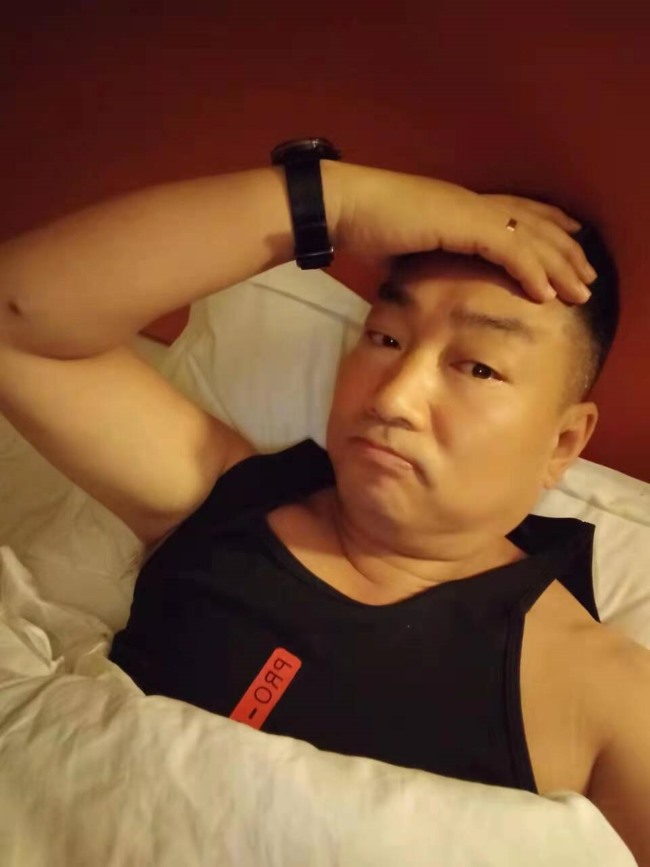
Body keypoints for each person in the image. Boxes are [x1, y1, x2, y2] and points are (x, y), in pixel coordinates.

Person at [0, 156, 648, 865]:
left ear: (563, 443)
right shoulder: (225, 495)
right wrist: (335, 199)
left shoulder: (603, 698)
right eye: (386, 338)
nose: (393, 397)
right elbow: (15, 319)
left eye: (478, 367)